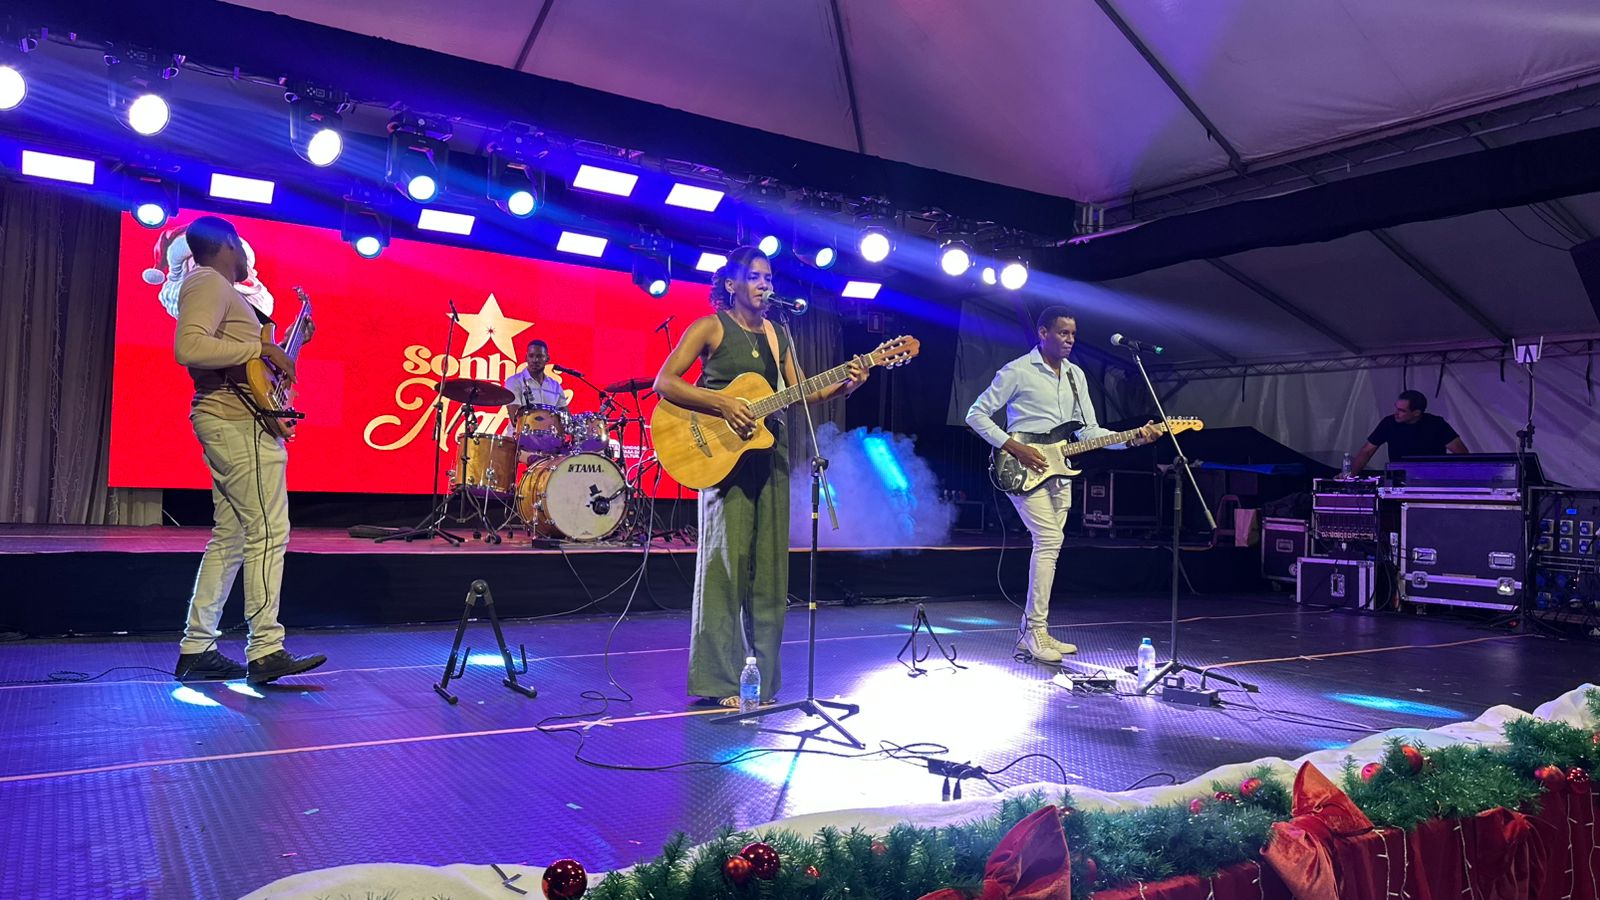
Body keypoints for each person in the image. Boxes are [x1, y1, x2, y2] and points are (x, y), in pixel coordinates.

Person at [653, 247, 867, 707]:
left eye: (768, 277)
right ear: (731, 285)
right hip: (719, 457)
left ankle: (761, 683)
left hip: (769, 455)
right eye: (754, 276)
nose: (765, 284)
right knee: (725, 569)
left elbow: (804, 392)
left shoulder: (777, 333)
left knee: (770, 571)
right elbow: (664, 382)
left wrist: (848, 382)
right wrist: (723, 403)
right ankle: (719, 682)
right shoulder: (710, 327)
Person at [172, 216, 327, 684]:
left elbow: (255, 372)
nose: (245, 258)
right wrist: (260, 351)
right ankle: (265, 649)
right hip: (235, 423)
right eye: (242, 248)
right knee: (268, 532)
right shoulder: (208, 280)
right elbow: (189, 348)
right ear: (228, 244)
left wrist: (287, 347)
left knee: (233, 537)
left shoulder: (219, 288)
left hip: (236, 418)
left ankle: (197, 648)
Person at [965, 306, 1161, 664]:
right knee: (1049, 540)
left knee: (1051, 546)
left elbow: (1089, 432)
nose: (1070, 340)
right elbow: (975, 414)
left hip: (1060, 468)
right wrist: (1014, 447)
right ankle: (1035, 630)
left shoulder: (1076, 376)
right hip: (1022, 466)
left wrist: (1131, 439)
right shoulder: (1017, 371)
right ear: (1043, 333)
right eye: (1063, 333)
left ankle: (1032, 630)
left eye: (1073, 334)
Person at [1346, 389, 1469, 474]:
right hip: (1399, 479)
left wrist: (1450, 475)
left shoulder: (1436, 424)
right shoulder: (1388, 423)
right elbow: (1367, 451)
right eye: (1396, 408)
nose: (1396, 413)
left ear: (1416, 413)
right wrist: (1350, 476)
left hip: (1432, 478)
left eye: (1402, 411)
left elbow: (1461, 453)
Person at [503, 338, 569, 413]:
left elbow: (566, 416)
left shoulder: (555, 386)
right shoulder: (514, 381)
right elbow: (515, 417)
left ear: (547, 358)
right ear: (526, 358)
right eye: (531, 356)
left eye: (539, 356)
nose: (535, 360)